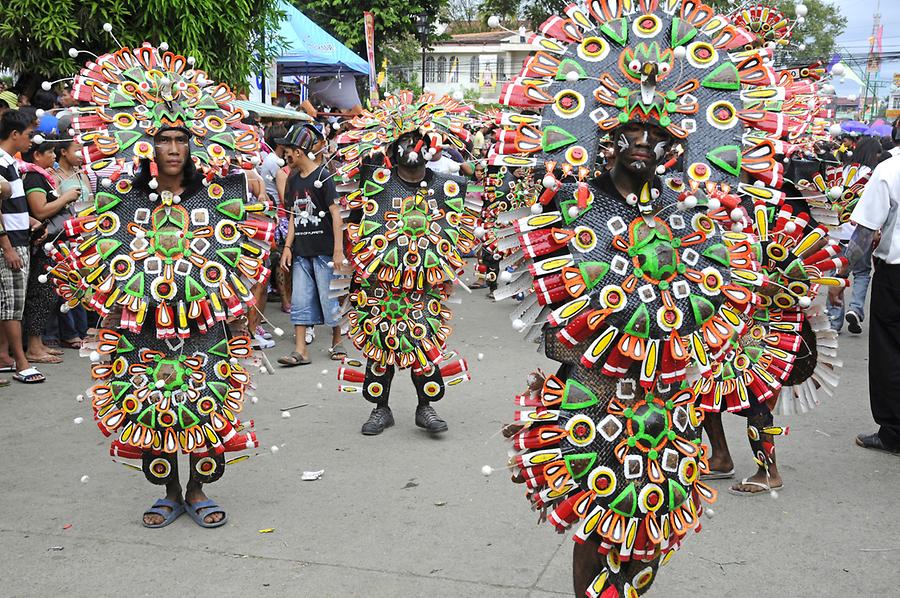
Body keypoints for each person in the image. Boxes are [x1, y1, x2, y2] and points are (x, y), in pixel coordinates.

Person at [50, 41, 272, 529]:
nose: (173, 149)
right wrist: (108, 313)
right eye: (163, 139)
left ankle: (197, 487)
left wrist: (238, 317)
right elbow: (106, 263)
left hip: (205, 319)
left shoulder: (221, 193)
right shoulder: (122, 197)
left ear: (197, 143)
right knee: (152, 402)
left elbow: (241, 259)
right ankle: (169, 490)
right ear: (145, 144)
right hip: (142, 320)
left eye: (182, 139)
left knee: (203, 399)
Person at [845, 134, 900, 455]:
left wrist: (840, 272)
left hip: (895, 275)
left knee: (890, 351)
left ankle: (893, 431)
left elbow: (865, 231)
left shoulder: (889, 170)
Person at [276, 123, 345, 367]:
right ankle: (300, 350)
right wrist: (287, 247)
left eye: (289, 151)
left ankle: (337, 341)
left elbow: (336, 213)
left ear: (300, 151)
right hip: (302, 251)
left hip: (325, 250)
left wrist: (338, 250)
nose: (285, 155)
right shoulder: (293, 180)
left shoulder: (324, 177)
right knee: (301, 299)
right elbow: (294, 214)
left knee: (331, 298)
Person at [20, 136, 81, 364]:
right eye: (50, 153)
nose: (54, 157)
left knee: (47, 294)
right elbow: (40, 210)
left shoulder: (41, 176)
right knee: (40, 294)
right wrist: (65, 197)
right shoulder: (35, 177)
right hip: (41, 246)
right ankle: (34, 347)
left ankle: (39, 343)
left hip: (49, 244)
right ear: (37, 155)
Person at [0, 109, 44, 383]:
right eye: (29, 135)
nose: (32, 141)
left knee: (12, 302)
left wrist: (28, 221)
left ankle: (6, 356)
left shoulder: (10, 161)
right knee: (12, 305)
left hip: (18, 237)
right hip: (11, 242)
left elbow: (9, 205)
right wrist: (7, 245)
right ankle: (21, 362)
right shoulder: (2, 162)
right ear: (14, 134)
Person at [826, 137, 885, 334]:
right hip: (860, 232)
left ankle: (834, 321)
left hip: (835, 231)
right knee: (861, 273)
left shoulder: (841, 171)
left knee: (835, 275)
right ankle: (856, 308)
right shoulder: (872, 175)